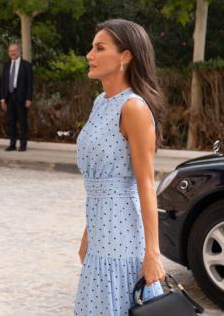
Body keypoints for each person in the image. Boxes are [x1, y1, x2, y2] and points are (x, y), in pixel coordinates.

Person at [74, 19, 165, 315]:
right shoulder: (100, 102)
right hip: (101, 230)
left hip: (124, 235)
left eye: (99, 48)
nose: (90, 55)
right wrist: (89, 232)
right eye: (92, 47)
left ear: (125, 56)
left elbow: (145, 184)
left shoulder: (134, 108)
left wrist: (152, 252)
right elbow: (103, 179)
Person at [0, 43, 33, 151]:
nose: (13, 53)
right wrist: (3, 99)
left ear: (19, 51)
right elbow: (3, 83)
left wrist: (29, 98)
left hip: (22, 98)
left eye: (14, 50)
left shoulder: (26, 65)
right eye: (10, 51)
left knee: (22, 121)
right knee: (11, 122)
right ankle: (12, 144)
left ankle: (23, 144)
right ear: (8, 53)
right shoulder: (6, 65)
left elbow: (30, 83)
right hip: (9, 97)